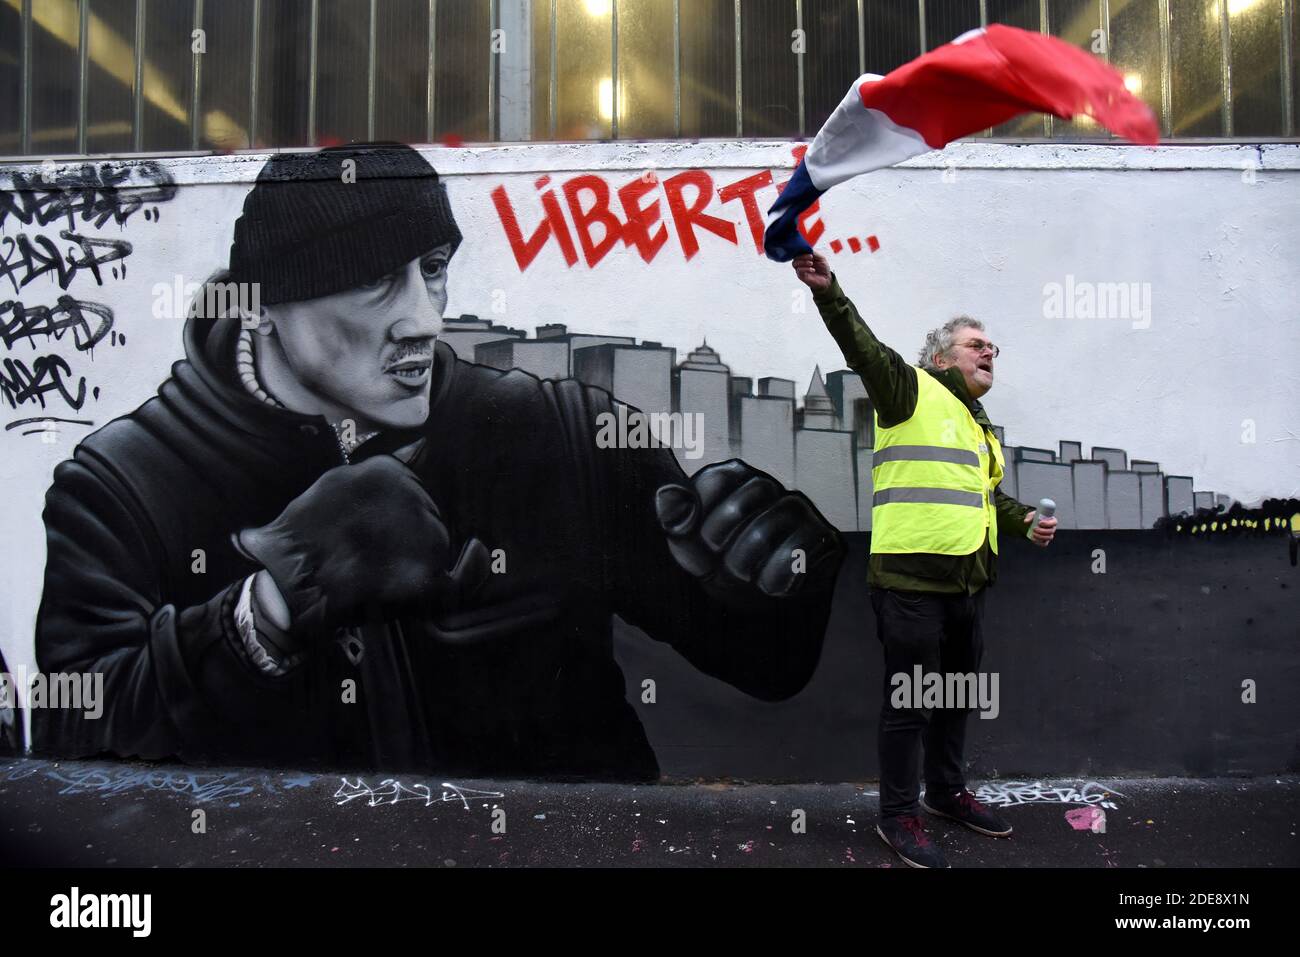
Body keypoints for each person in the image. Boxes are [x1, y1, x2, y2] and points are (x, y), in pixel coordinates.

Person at [31, 143, 845, 781]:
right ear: (269, 306)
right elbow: (76, 744)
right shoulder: (122, 486)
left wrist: (772, 567)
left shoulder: (556, 431)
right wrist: (270, 606)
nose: (423, 319)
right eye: (379, 281)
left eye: (431, 272)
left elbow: (766, 665)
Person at [793, 251, 1057, 868]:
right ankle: (898, 816)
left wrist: (1025, 523)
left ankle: (944, 793)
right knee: (910, 702)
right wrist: (830, 292)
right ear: (941, 357)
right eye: (976, 344)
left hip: (967, 583)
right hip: (909, 583)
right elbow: (863, 348)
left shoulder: (980, 424)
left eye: (994, 346)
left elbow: (985, 495)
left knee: (957, 693)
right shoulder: (907, 389)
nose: (990, 352)